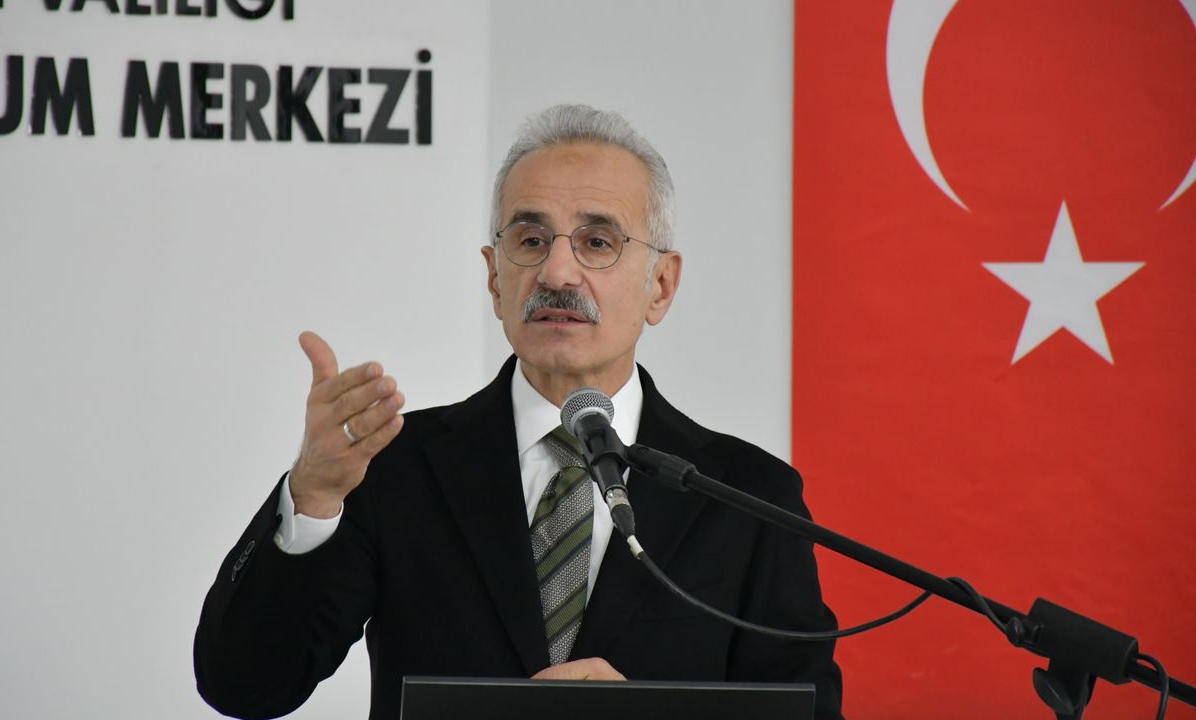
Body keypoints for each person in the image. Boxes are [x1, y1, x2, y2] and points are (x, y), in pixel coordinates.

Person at [194, 104, 843, 719]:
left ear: (662, 285)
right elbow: (245, 685)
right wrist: (312, 495)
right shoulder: (392, 466)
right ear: (494, 277)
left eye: (597, 241)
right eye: (530, 240)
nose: (557, 272)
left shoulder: (748, 497)